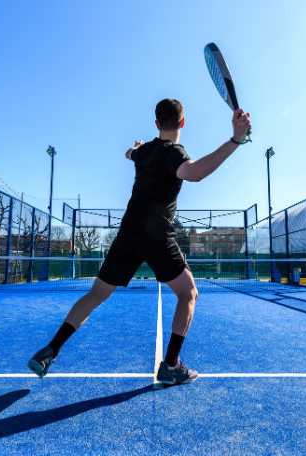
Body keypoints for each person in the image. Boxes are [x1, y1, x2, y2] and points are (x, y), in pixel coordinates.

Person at [28, 98, 251, 386]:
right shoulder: (174, 153)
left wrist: (137, 146)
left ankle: (51, 349)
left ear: (157, 123)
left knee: (96, 294)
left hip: (128, 234)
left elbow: (128, 153)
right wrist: (235, 139)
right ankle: (171, 365)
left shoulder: (143, 152)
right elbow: (194, 173)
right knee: (188, 294)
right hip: (157, 236)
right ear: (183, 122)